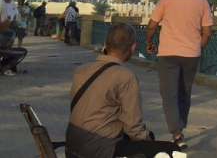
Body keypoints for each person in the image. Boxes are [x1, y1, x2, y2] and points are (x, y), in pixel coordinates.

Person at [66, 23, 181, 158]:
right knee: (171, 150)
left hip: (73, 147)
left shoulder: (81, 71)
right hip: (100, 150)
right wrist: (149, 140)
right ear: (133, 47)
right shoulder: (126, 77)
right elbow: (134, 128)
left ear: (105, 44)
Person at [145, 0, 212, 150]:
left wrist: (149, 41)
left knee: (169, 94)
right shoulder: (202, 2)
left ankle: (176, 133)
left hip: (168, 54)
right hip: (191, 54)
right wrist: (200, 46)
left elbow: (152, 25)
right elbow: (207, 32)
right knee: (185, 92)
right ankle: (180, 127)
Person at [0, 0, 27, 75]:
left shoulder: (16, 7)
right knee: (21, 52)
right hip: (2, 50)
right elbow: (7, 45)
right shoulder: (9, 32)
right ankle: (5, 68)